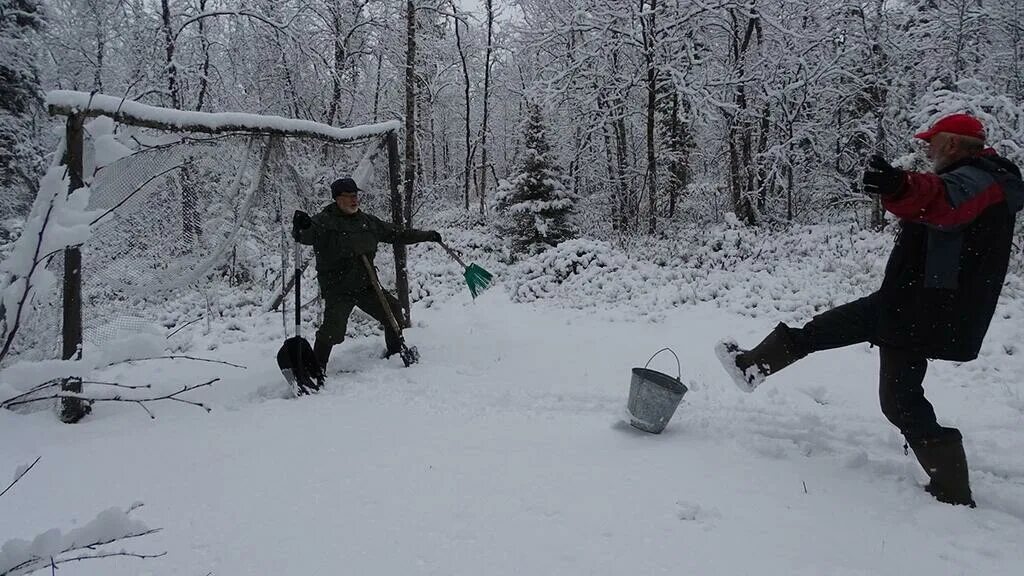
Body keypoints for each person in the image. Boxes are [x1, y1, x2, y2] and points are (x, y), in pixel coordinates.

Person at [716, 113, 1023, 507]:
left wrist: (900, 184)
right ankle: (752, 366)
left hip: (924, 308)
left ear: (950, 143)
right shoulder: (979, 177)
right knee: (840, 344)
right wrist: (901, 189)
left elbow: (940, 200)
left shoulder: (979, 179)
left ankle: (952, 489)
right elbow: (936, 201)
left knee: (898, 399)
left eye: (931, 141)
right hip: (910, 301)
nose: (926, 148)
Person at [292, 177, 442, 371]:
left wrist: (428, 235)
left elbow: (398, 233)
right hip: (338, 288)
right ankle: (316, 367)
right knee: (333, 331)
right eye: (349, 196)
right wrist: (301, 226)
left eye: (356, 196)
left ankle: (395, 352)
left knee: (394, 311)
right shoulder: (324, 222)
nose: (355, 200)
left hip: (366, 285)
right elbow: (306, 236)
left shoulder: (367, 222)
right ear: (338, 199)